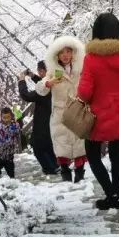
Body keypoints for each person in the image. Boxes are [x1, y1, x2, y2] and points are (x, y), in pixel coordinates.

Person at [77, 13, 119, 210]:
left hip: (101, 113)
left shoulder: (92, 58)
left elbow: (85, 92)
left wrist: (81, 96)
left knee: (93, 154)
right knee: (116, 154)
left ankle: (110, 194)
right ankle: (116, 193)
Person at [38, 35, 88, 182]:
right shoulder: (53, 72)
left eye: (68, 51)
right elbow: (40, 89)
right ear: (57, 55)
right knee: (61, 143)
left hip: (78, 111)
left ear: (73, 53)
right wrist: (49, 83)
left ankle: (80, 171)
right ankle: (65, 170)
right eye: (62, 52)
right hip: (60, 114)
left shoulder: (80, 69)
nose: (65, 55)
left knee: (79, 142)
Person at [18, 60, 59, 175]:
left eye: (41, 71)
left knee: (37, 147)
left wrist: (21, 80)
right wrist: (32, 76)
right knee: (47, 144)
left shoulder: (44, 90)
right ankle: (55, 165)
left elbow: (26, 95)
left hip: (42, 121)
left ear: (44, 71)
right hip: (52, 119)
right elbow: (43, 83)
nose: (39, 73)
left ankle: (50, 169)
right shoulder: (55, 81)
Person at [0, 106, 19, 180]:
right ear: (1, 117)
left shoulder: (14, 125)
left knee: (11, 171)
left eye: (8, 117)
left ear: (11, 116)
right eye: (4, 117)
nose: (6, 119)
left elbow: (17, 133)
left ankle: (12, 180)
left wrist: (14, 125)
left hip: (9, 153)